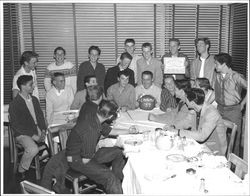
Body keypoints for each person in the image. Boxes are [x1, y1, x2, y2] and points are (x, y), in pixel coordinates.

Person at [66, 99, 138, 194]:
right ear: (111, 117)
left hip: (87, 154)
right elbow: (86, 159)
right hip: (78, 160)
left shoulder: (95, 117)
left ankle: (118, 184)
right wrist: (100, 169)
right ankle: (114, 184)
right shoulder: (92, 129)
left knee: (119, 152)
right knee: (109, 177)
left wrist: (129, 130)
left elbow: (109, 131)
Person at [168, 88, 227, 156]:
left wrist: (178, 132)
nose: (185, 101)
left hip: (214, 150)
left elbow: (201, 136)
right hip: (200, 145)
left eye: (186, 99)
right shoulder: (195, 109)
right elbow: (186, 122)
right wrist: (174, 126)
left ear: (192, 103)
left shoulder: (211, 113)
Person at [9, 75, 47, 179]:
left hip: (37, 129)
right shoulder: (14, 104)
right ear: (23, 86)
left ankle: (51, 168)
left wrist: (43, 130)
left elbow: (40, 117)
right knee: (33, 149)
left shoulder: (34, 99)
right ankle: (21, 169)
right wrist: (33, 136)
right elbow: (16, 126)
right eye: (31, 84)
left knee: (55, 141)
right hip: (22, 133)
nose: (33, 86)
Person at [214, 53, 247, 157]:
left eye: (216, 64)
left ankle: (234, 166)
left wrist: (242, 104)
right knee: (220, 137)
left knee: (234, 140)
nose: (215, 66)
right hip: (220, 109)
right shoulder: (218, 76)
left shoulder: (236, 76)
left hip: (233, 111)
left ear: (224, 64)